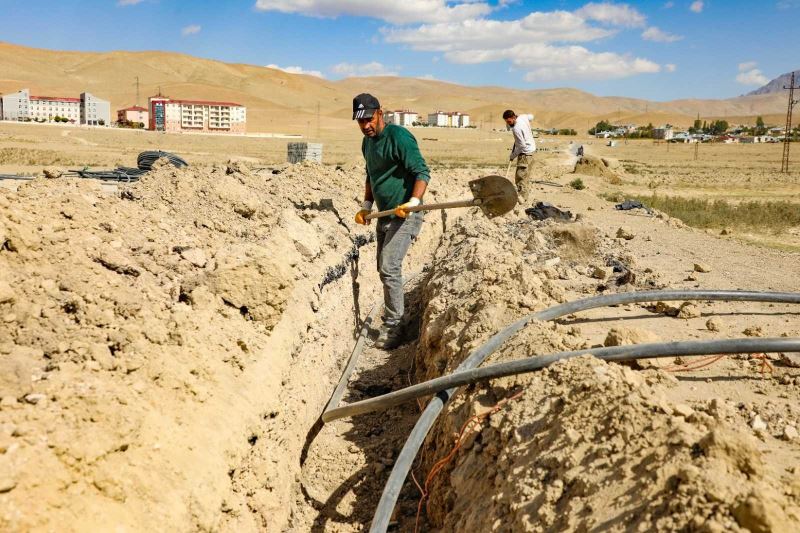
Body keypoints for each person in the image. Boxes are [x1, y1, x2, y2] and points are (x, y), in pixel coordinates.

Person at [352, 93, 430, 349]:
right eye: (360, 122)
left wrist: (414, 202)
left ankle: (394, 326)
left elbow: (421, 172)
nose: (366, 126)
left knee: (389, 267)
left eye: (369, 119)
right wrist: (366, 206)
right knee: (382, 268)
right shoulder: (367, 144)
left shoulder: (399, 137)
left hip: (405, 213)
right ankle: (397, 318)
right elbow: (371, 176)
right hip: (384, 214)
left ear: (379, 113)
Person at [503, 110, 536, 191]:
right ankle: (524, 197)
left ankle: (522, 199)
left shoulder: (516, 129)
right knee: (525, 176)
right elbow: (531, 116)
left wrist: (513, 155)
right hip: (531, 150)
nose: (508, 123)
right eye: (506, 122)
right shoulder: (523, 117)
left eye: (509, 121)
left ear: (514, 117)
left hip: (525, 153)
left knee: (520, 178)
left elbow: (522, 146)